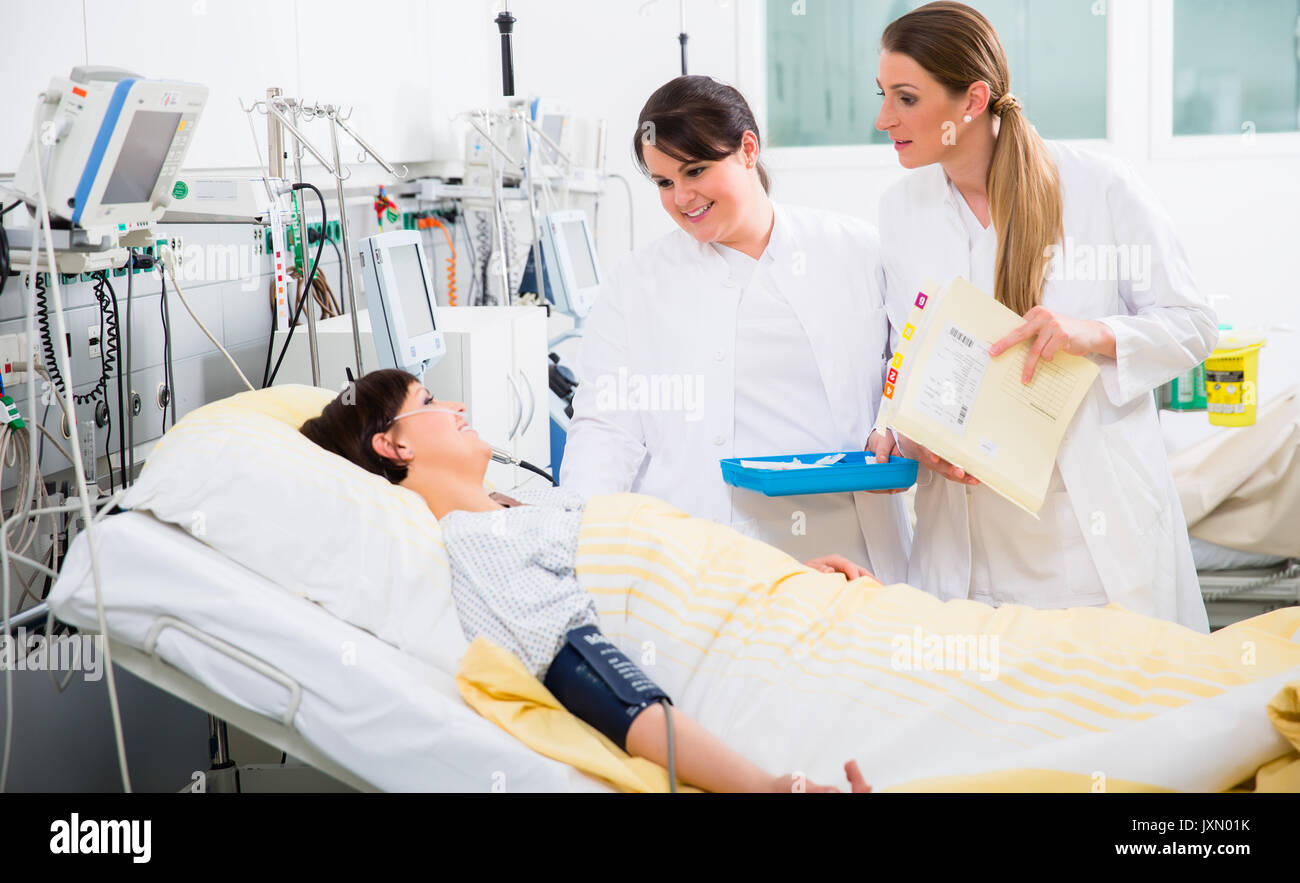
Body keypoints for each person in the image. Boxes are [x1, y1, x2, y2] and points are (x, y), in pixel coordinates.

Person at [300, 368, 872, 793]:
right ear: (395, 444)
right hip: (767, 663)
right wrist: (766, 788)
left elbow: (666, 550)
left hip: (795, 603)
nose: (454, 405)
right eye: (428, 400)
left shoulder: (531, 498)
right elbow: (599, 681)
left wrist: (783, 572)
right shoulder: (479, 544)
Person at [873, 1, 1215, 630]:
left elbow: (1193, 324)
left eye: (905, 98)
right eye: (882, 95)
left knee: (1107, 708)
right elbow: (904, 356)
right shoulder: (900, 211)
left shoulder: (1098, 188)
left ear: (971, 101)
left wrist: (1091, 334)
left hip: (1081, 535)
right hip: (964, 534)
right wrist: (907, 436)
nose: (882, 118)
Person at [560, 75, 910, 585]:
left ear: (748, 149)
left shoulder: (858, 252)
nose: (682, 197)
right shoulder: (637, 283)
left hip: (851, 553)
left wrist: (899, 433)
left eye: (696, 170)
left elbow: (911, 376)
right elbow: (605, 430)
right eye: (662, 182)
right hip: (705, 568)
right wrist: (576, 543)